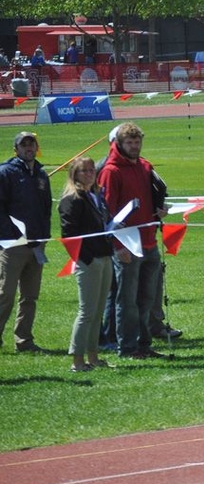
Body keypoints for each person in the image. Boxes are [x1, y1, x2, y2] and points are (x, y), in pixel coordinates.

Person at [98, 122, 167, 359]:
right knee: (126, 300)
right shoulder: (110, 171)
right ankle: (127, 347)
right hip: (126, 245)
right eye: (130, 142)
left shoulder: (145, 167)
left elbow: (152, 196)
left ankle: (144, 344)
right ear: (119, 143)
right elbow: (107, 213)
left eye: (137, 142)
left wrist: (160, 209)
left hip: (149, 242)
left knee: (146, 298)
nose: (135, 146)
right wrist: (117, 246)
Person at [58, 157, 114, 372]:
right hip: (89, 260)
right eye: (84, 171)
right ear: (75, 175)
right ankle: (77, 360)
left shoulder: (96, 195)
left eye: (92, 170)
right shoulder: (72, 199)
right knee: (87, 312)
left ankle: (94, 357)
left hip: (105, 257)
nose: (90, 174)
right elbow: (69, 234)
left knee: (98, 311)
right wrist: (87, 258)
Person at [0, 132, 52, 353]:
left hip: (36, 244)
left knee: (30, 296)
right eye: (24, 145)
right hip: (12, 244)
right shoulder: (5, 173)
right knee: (5, 294)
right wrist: (7, 236)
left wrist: (44, 237)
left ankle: (24, 340)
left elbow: (46, 209)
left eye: (32, 144)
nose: (29, 148)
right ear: (16, 149)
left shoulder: (41, 174)